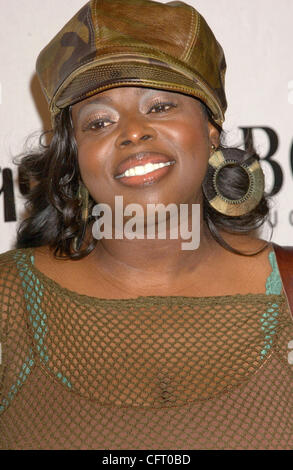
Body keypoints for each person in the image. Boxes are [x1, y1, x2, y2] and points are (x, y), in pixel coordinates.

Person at [0, 0, 292, 450]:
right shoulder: (8, 300)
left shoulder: (289, 289)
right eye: (99, 121)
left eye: (158, 106)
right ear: (74, 155)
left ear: (211, 129)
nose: (132, 131)